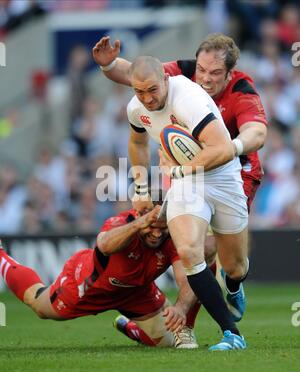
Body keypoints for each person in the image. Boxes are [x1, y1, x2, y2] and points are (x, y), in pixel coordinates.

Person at [92, 33, 268, 322]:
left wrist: (229, 148)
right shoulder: (184, 74)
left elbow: (257, 134)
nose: (205, 78)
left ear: (230, 73)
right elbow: (141, 74)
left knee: (225, 258)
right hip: (186, 172)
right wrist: (108, 66)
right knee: (190, 247)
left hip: (235, 171)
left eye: (215, 73)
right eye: (201, 70)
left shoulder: (242, 89)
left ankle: (234, 284)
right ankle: (179, 321)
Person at [122, 55, 248, 350]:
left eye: (152, 89)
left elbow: (223, 148)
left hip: (222, 175)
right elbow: (137, 142)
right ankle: (232, 334)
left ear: (165, 80)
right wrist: (140, 186)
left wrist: (179, 169)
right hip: (185, 182)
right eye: (139, 92)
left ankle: (234, 284)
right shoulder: (136, 108)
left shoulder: (188, 99)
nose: (147, 98)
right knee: (191, 251)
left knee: (235, 266)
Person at [0, 204, 200, 349]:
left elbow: (188, 276)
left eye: (162, 229)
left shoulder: (175, 233)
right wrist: (139, 225)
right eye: (151, 227)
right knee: (38, 305)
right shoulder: (123, 222)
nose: (157, 234)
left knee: (167, 343)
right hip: (88, 288)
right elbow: (104, 245)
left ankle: (129, 327)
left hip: (137, 293)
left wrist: (180, 308)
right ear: (139, 215)